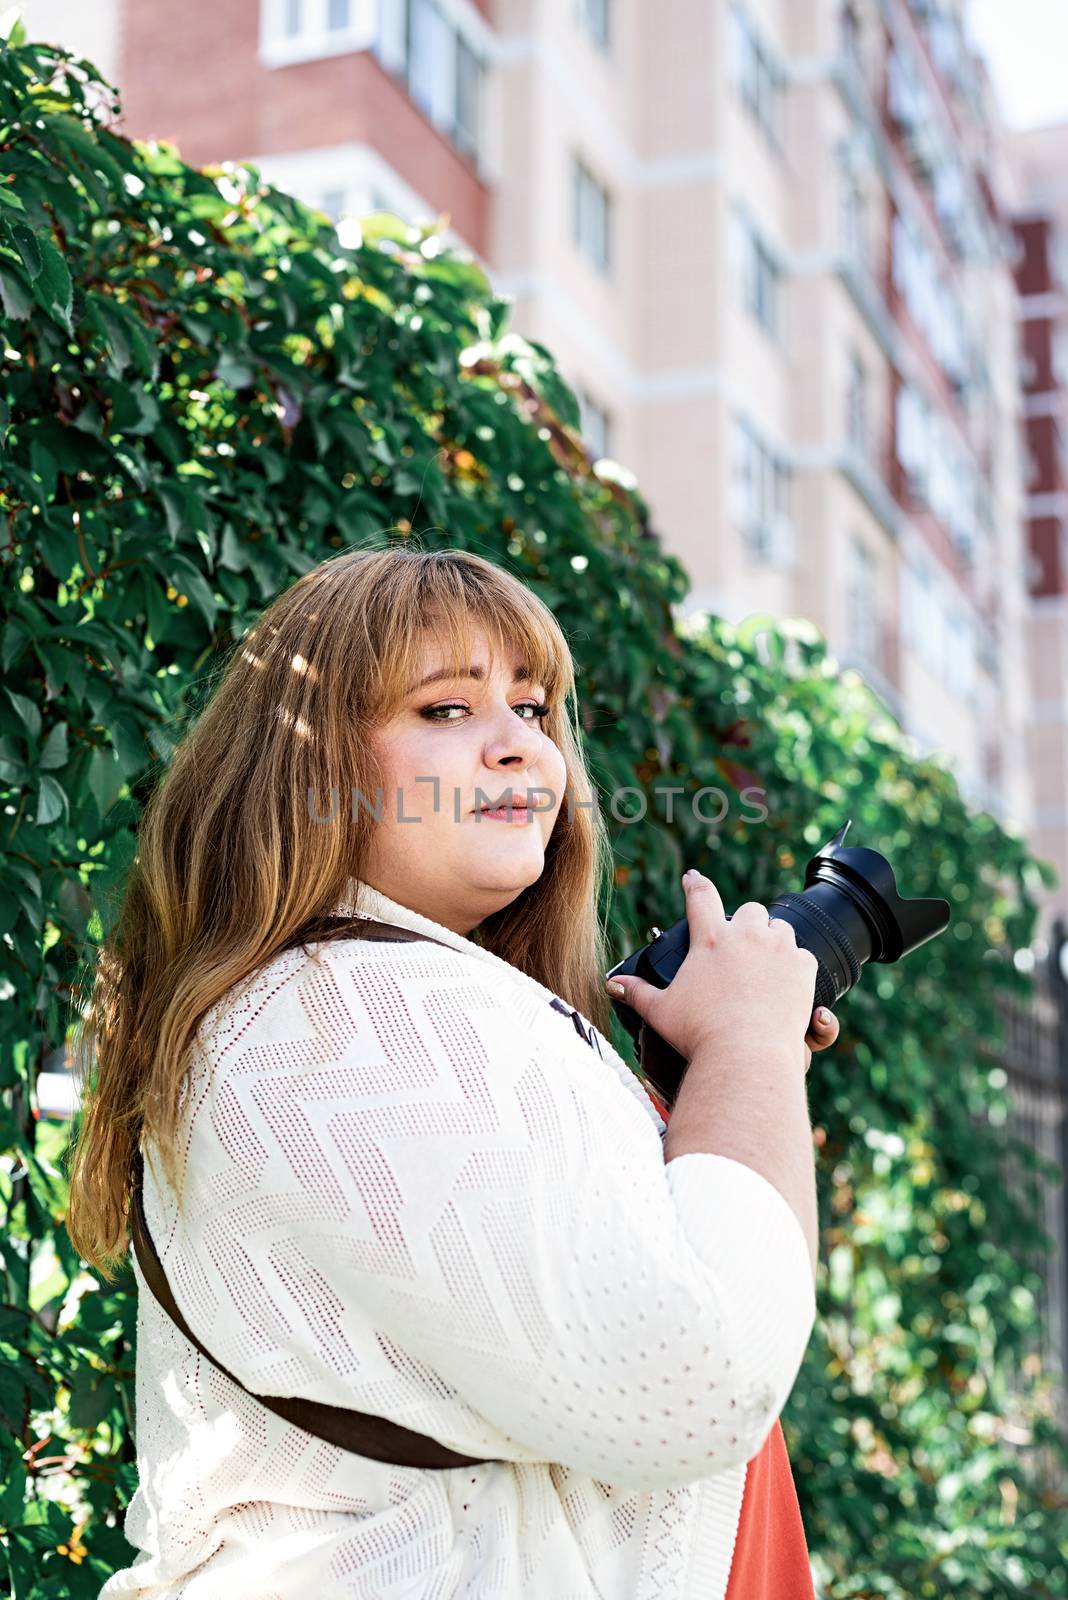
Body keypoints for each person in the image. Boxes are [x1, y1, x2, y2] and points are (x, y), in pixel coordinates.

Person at [65, 545, 838, 1600]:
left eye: (533, 707)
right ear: (309, 765)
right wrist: (750, 1050)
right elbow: (692, 1381)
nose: (521, 746)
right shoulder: (334, 1018)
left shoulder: (345, 1004)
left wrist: (705, 1091)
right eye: (444, 709)